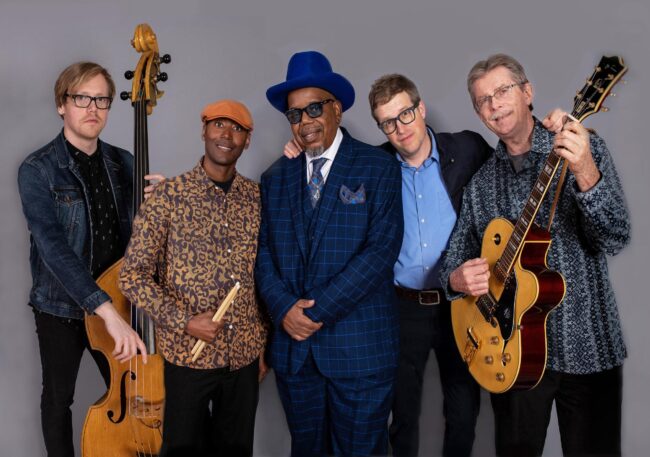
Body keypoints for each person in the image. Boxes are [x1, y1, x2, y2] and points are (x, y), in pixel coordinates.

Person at [285, 73, 491, 457]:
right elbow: (328, 166)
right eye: (387, 123)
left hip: (462, 303)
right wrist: (303, 147)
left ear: (421, 109)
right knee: (402, 414)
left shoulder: (467, 148)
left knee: (464, 412)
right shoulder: (374, 164)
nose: (400, 128)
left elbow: (507, 182)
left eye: (405, 114)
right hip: (402, 305)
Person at [441, 53, 630, 457]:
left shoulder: (580, 146)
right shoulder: (481, 185)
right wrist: (457, 278)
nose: (494, 104)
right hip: (511, 354)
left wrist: (584, 170)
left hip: (587, 345)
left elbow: (615, 236)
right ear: (478, 114)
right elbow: (453, 261)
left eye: (503, 90)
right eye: (483, 100)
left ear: (527, 92)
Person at [255, 51, 404, 456]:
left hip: (360, 352)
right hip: (296, 357)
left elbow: (380, 252)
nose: (305, 121)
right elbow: (263, 253)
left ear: (336, 108)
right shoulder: (275, 177)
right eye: (295, 114)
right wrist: (284, 309)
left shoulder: (378, 167)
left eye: (314, 108)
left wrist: (313, 313)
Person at [17, 61, 163, 457]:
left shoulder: (125, 163)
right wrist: (105, 311)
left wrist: (166, 205)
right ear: (61, 105)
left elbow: (147, 242)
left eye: (101, 99)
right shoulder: (37, 169)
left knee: (132, 390)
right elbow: (52, 246)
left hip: (121, 300)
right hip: (61, 306)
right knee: (58, 398)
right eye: (82, 98)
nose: (92, 108)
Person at [119, 99, 268, 457]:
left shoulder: (257, 198)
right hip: (187, 356)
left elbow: (265, 275)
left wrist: (264, 342)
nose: (226, 134)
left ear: (247, 140)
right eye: (218, 124)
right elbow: (132, 276)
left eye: (237, 128)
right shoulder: (168, 196)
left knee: (236, 451)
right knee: (183, 450)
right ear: (204, 131)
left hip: (244, 354)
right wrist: (184, 321)